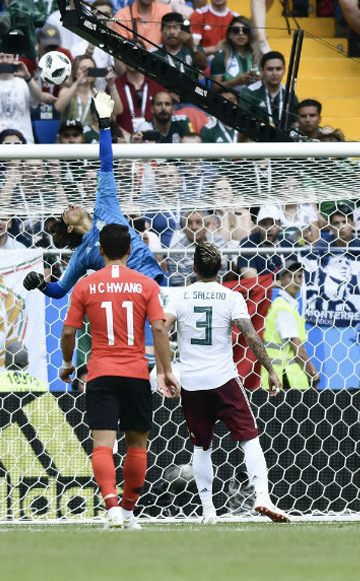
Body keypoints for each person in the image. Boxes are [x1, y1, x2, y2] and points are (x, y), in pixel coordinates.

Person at [59, 223, 178, 529]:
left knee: (102, 444)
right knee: (137, 445)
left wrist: (68, 363)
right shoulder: (146, 284)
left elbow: (69, 330)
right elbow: (160, 329)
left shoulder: (85, 285)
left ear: (100, 251)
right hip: (136, 373)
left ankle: (111, 507)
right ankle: (128, 511)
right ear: (129, 250)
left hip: (100, 373)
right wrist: (165, 371)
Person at [164, 241, 291, 524]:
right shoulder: (230, 297)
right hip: (223, 379)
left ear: (194, 268)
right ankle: (262, 496)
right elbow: (251, 336)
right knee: (249, 438)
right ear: (221, 268)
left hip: (193, 382)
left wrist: (164, 369)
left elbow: (162, 326)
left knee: (201, 447)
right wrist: (269, 369)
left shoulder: (179, 296)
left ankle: (209, 511)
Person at [23, 92, 165, 300]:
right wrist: (41, 284)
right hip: (122, 297)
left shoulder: (104, 206)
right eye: (66, 212)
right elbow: (60, 290)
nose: (71, 206)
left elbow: (106, 162)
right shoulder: (82, 255)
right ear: (70, 227)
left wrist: (104, 123)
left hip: (152, 282)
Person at [261, 261, 320, 390]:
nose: (296, 281)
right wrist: (313, 373)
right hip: (283, 378)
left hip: (283, 378)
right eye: (291, 277)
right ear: (281, 280)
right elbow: (298, 349)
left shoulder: (286, 306)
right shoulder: (283, 309)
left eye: (300, 276)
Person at [239, 51, 299, 128]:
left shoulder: (290, 94)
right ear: (262, 71)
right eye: (270, 69)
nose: (274, 73)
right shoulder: (249, 92)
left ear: (284, 70)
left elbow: (295, 124)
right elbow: (243, 123)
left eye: (278, 69)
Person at [208, 16, 262, 93]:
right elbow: (215, 88)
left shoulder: (260, 55)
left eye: (245, 30)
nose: (241, 33)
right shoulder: (221, 57)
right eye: (236, 30)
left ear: (250, 34)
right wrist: (236, 81)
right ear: (230, 35)